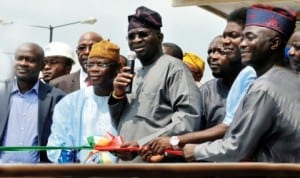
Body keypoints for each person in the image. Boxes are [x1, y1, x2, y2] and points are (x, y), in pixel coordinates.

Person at [184, 4, 300, 163]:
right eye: (243, 37)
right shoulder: (290, 79)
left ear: (274, 43)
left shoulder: (264, 87)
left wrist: (195, 150)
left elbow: (236, 148)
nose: (242, 44)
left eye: (250, 38)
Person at [144, 7, 249, 162]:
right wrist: (164, 151)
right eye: (210, 52)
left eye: (220, 52)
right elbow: (192, 131)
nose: (213, 57)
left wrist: (174, 141)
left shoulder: (253, 81)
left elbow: (230, 128)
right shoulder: (205, 91)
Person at [108, 6, 201, 163]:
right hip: (127, 166)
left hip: (156, 167)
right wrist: (118, 95)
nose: (136, 39)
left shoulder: (174, 68)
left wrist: (143, 143)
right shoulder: (134, 74)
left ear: (160, 37)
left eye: (143, 34)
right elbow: (121, 123)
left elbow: (188, 120)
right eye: (131, 36)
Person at [47, 40, 120, 163]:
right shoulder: (69, 103)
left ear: (117, 69)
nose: (94, 69)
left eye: (101, 65)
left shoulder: (128, 101)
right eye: (90, 65)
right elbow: (57, 144)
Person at [0, 42, 65, 163]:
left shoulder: (56, 98)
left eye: (30, 60)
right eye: (19, 59)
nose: (23, 63)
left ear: (42, 65)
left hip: (38, 173)